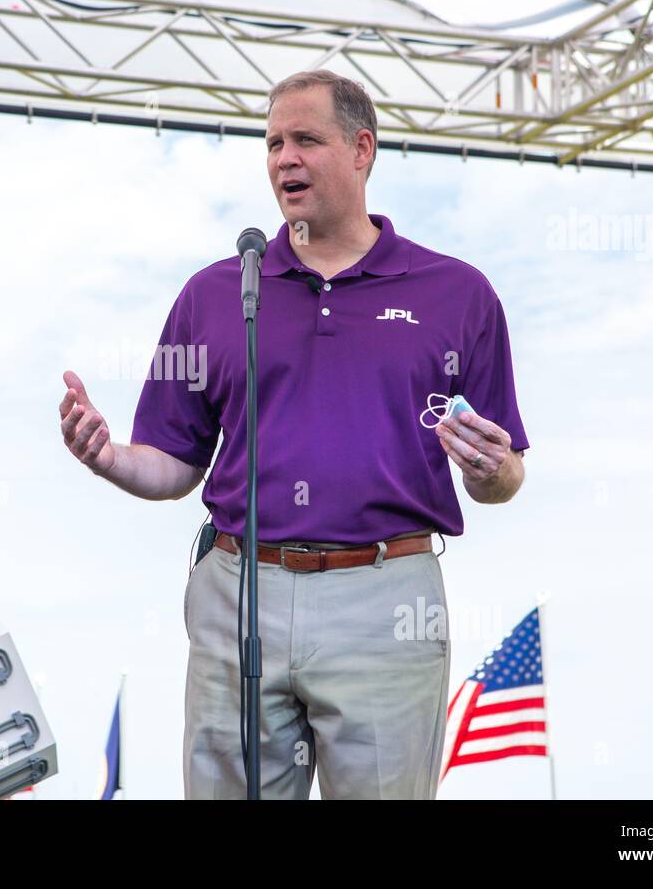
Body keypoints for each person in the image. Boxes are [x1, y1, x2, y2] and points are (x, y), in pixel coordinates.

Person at [59, 69, 530, 799]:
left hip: (387, 599)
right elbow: (174, 462)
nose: (285, 158)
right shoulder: (214, 294)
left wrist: (491, 470)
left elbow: (506, 473)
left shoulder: (457, 293)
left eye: (306, 139)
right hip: (238, 590)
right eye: (274, 143)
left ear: (361, 149)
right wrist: (109, 457)